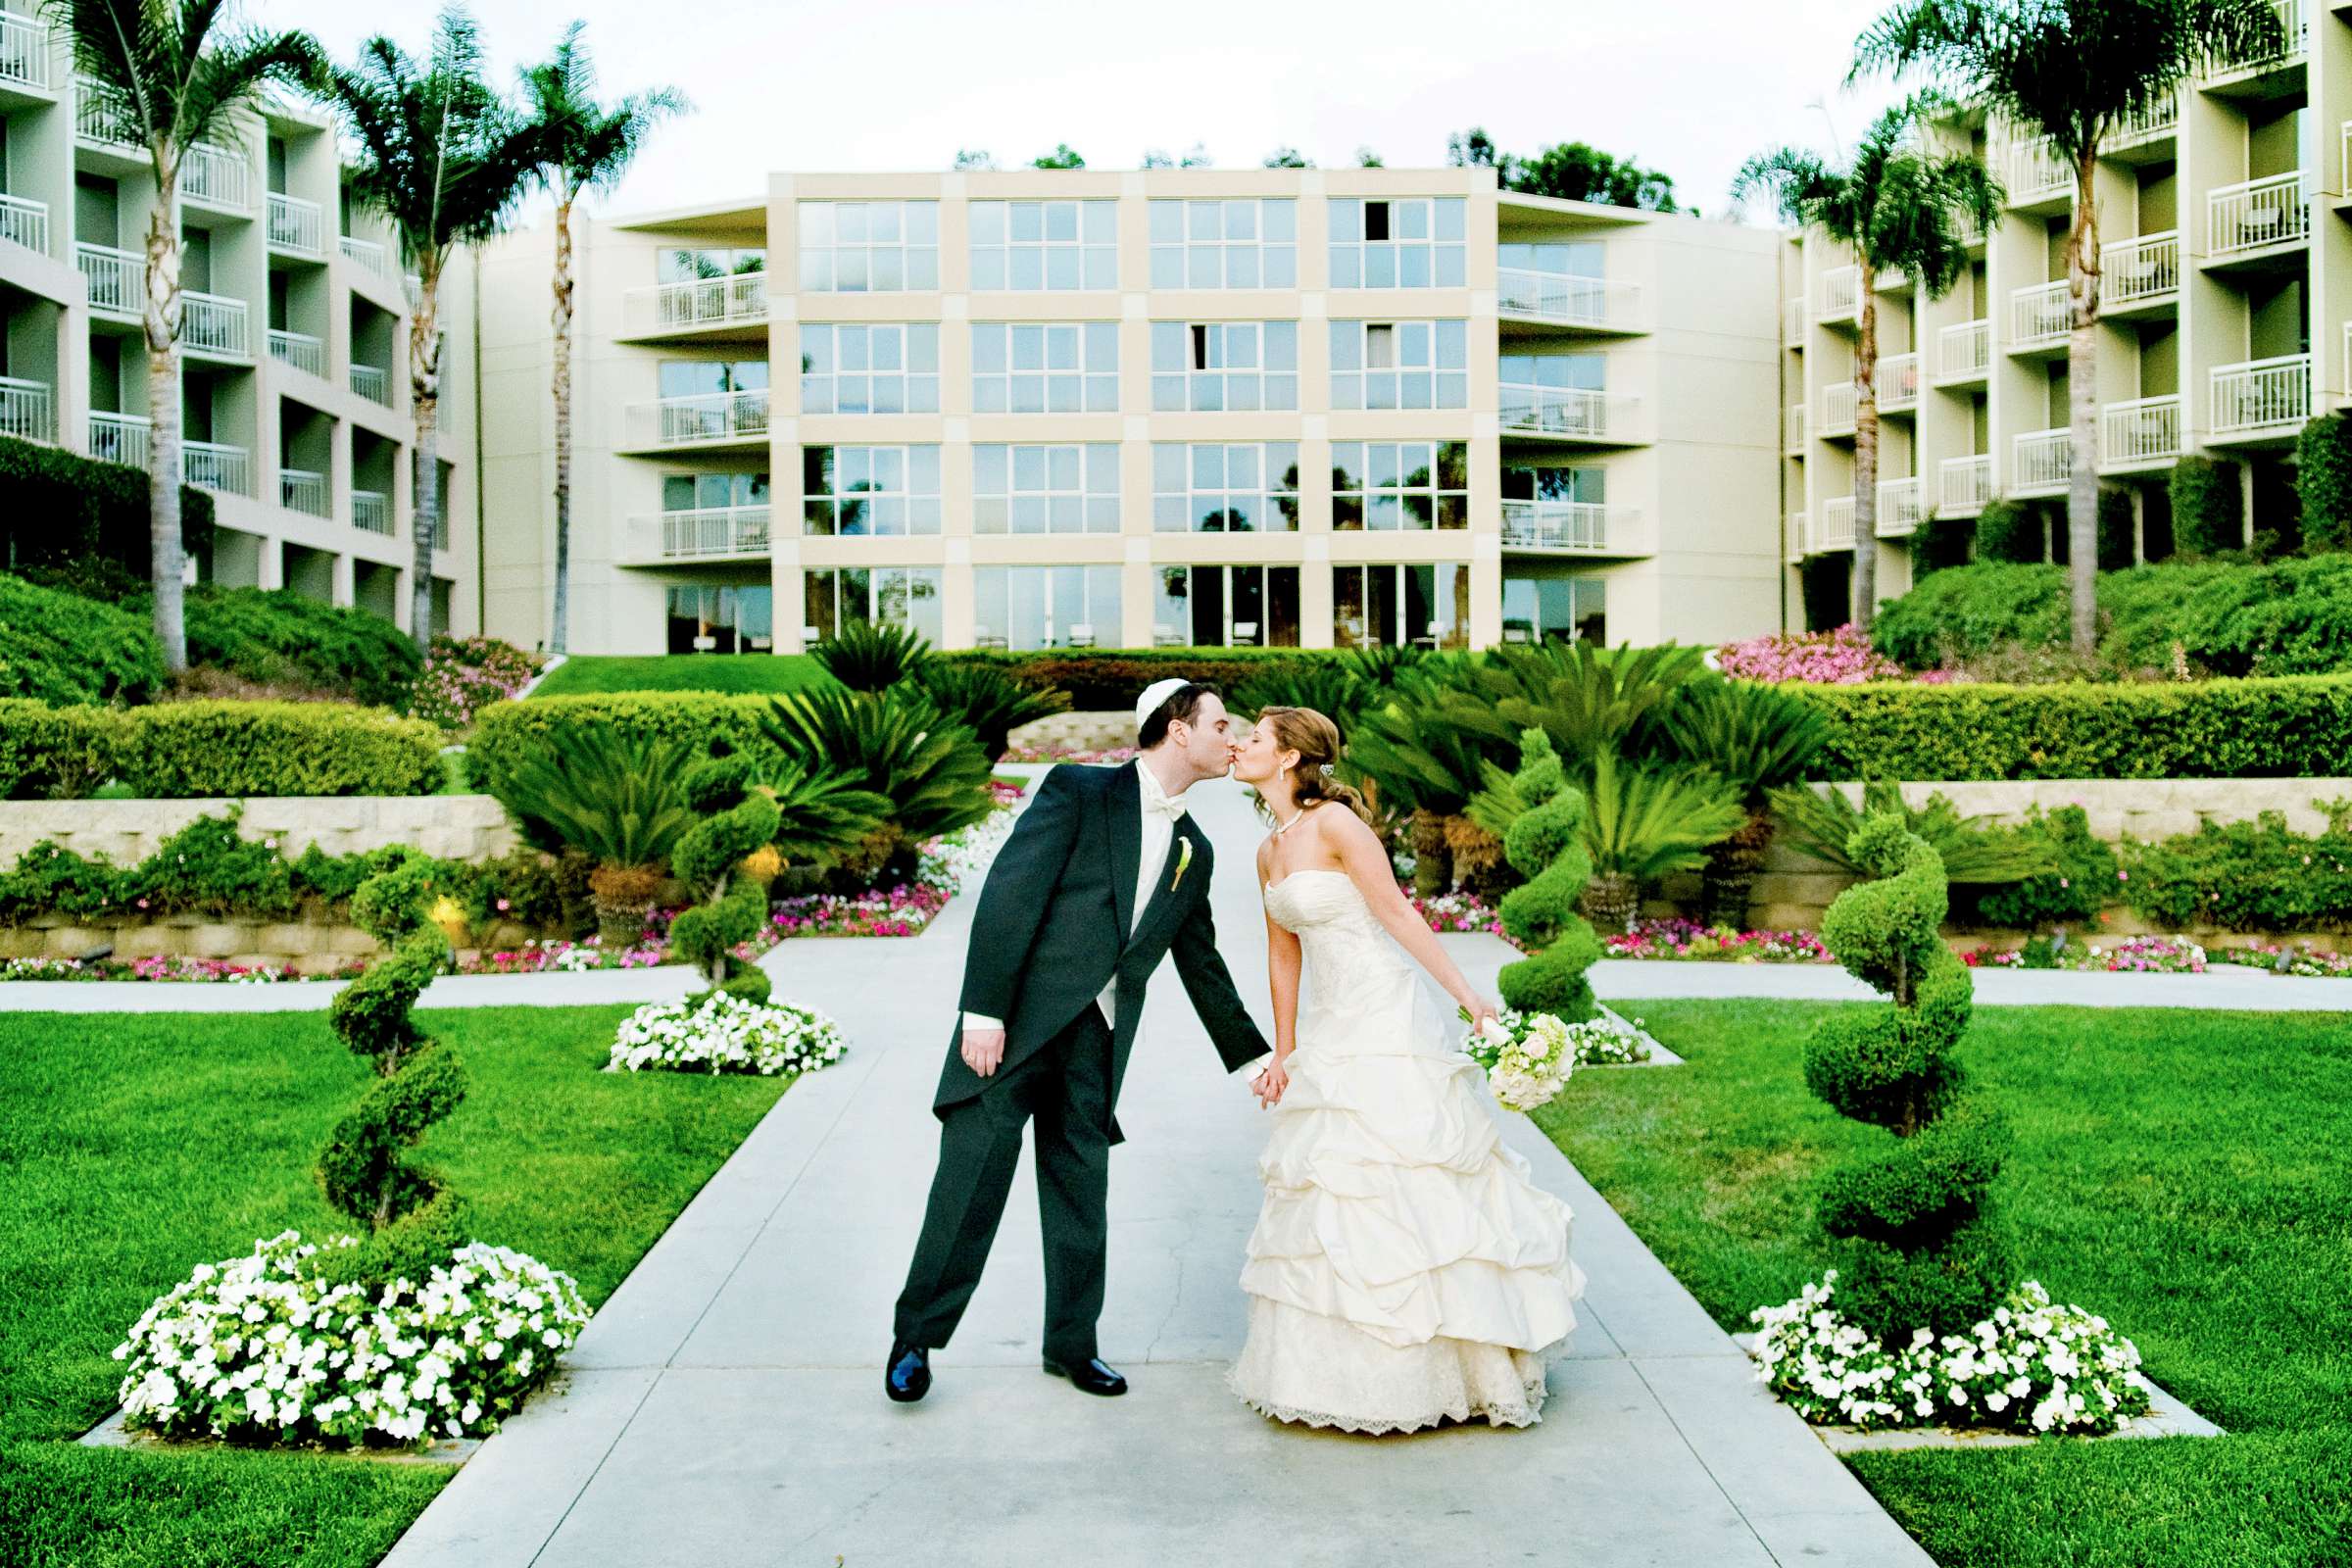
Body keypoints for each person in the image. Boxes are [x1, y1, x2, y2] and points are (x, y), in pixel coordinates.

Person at [885, 679, 1271, 1403]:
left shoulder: (1196, 847)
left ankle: (1072, 1346)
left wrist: (1252, 1055)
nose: (1232, 739)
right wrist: (983, 1011)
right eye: (1221, 725)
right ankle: (915, 1340)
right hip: (1012, 1033)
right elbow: (1010, 892)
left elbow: (1201, 961)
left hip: (1098, 1039)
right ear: (1178, 730)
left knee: (1080, 1198)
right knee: (968, 1188)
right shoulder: (1080, 792)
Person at [1226, 705, 1585, 1433]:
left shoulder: (1336, 827)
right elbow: (1282, 954)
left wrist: (1468, 999)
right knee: (1332, 1178)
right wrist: (1285, 1054)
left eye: (1255, 739)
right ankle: (1344, 1376)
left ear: (1291, 758)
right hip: (1329, 1024)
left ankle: (1457, 1362)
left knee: (1407, 1168)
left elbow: (1398, 914)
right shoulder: (1269, 850)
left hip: (1383, 1011)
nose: (1238, 746)